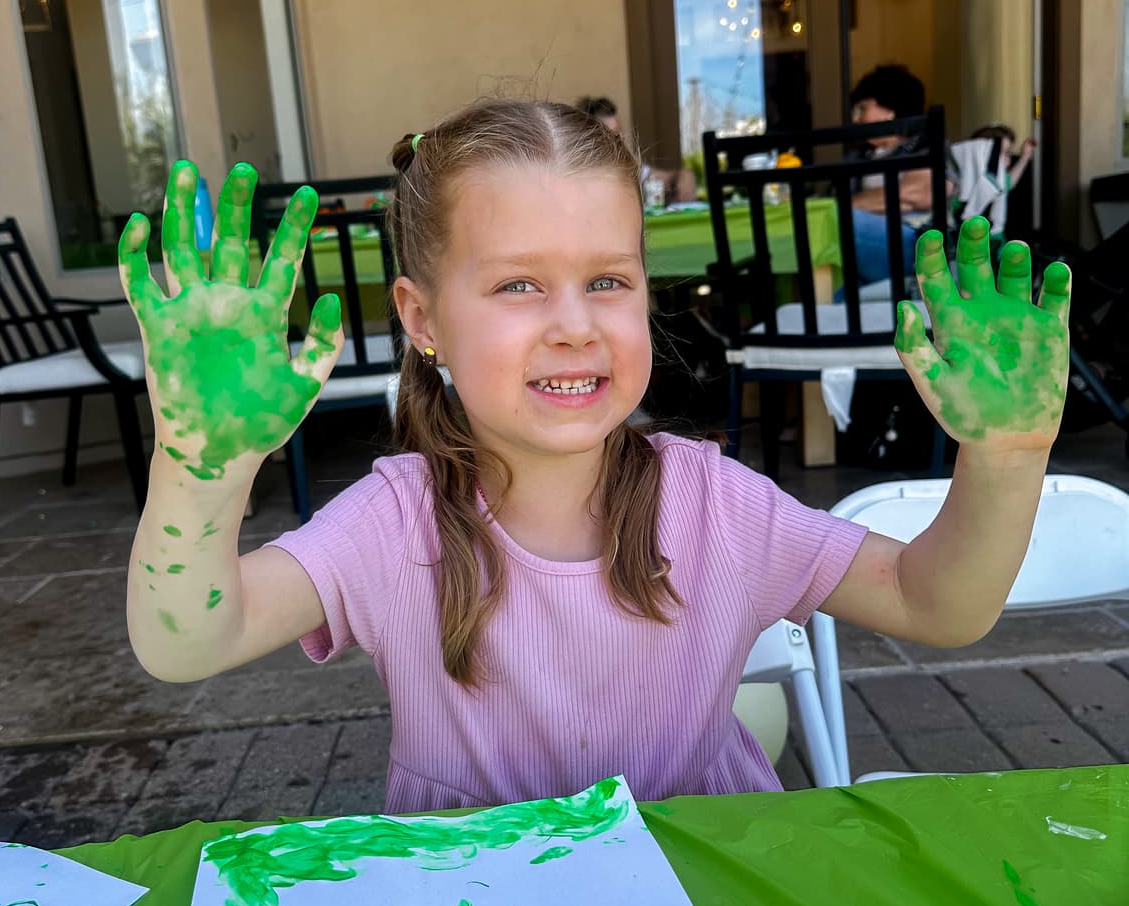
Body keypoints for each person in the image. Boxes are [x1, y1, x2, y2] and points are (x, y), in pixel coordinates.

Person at [118, 99, 1070, 813]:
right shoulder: (393, 522)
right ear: (422, 318)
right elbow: (186, 641)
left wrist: (1005, 457)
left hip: (707, 893)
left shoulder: (715, 504)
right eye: (519, 285)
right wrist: (202, 465)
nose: (575, 325)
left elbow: (938, 606)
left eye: (608, 280)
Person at [847, 64, 947, 286]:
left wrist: (842, 207)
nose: (855, 119)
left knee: (838, 221)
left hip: (917, 245)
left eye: (862, 108)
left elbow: (919, 194)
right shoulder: (859, 157)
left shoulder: (924, 146)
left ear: (890, 110)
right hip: (870, 249)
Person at [575, 95, 696, 206]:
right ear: (589, 139)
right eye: (611, 135)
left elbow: (667, 179)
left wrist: (683, 176)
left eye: (619, 132)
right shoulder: (578, 177)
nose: (621, 139)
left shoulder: (628, 166)